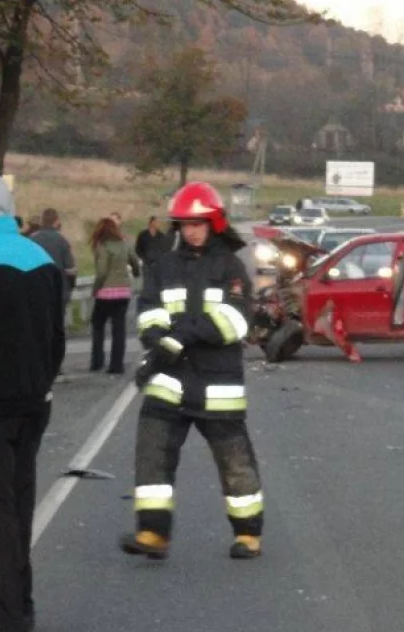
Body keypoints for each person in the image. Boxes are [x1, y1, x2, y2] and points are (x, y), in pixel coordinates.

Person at [120, 181, 265, 560]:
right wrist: (159, 339)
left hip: (219, 385)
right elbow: (149, 313)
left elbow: (235, 320)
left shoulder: (231, 267)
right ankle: (153, 532)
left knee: (235, 462)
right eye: (185, 224)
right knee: (152, 454)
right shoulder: (162, 267)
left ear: (214, 223)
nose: (192, 231)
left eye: (199, 223)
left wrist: (181, 336)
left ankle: (248, 533)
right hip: (170, 381)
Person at [0, 173, 66, 632]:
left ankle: (2, 617)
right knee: (19, 504)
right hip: (34, 404)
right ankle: (20, 604)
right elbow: (57, 339)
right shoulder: (41, 258)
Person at [90, 217, 140, 374]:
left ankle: (97, 361)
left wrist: (96, 288)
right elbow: (135, 262)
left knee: (97, 324)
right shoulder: (124, 243)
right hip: (123, 291)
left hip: (105, 292)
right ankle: (117, 365)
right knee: (119, 329)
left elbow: (102, 271)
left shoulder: (102, 245)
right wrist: (136, 274)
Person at [30, 207, 77, 305]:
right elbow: (70, 269)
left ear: (42, 221)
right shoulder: (62, 240)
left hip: (37, 291)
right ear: (56, 222)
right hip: (59, 291)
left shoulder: (32, 240)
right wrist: (70, 286)